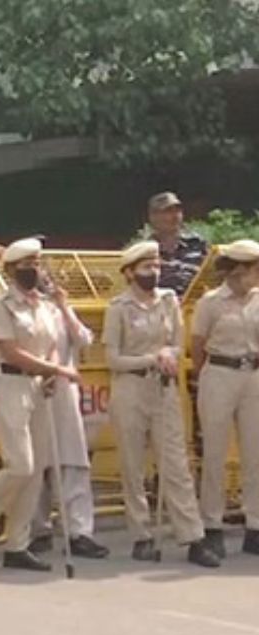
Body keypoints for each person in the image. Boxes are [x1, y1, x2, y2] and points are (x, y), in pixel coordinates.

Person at [0, 237, 79, 572]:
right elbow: (12, 350)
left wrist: (50, 369)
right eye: (28, 265)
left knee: (38, 467)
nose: (35, 270)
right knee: (20, 463)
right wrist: (56, 370)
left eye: (37, 263)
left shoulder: (45, 306)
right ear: (12, 269)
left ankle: (18, 543)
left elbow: (53, 344)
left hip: (39, 384)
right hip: (10, 382)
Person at [103, 241, 218, 567]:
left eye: (155, 266)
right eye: (145, 267)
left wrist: (168, 355)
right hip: (130, 389)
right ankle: (141, 534)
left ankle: (193, 536)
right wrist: (149, 358)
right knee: (133, 465)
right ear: (129, 272)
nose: (153, 272)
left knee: (176, 465)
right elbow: (113, 358)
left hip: (164, 389)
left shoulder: (168, 302)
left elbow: (177, 344)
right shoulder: (118, 308)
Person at [27, 270, 109, 560]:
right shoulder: (23, 311)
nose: (44, 282)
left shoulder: (62, 310)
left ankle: (79, 532)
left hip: (64, 393)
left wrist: (64, 306)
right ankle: (38, 530)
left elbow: (84, 339)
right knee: (36, 464)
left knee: (73, 461)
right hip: (34, 390)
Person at [190, 239, 259, 559]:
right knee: (215, 451)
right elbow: (198, 345)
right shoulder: (211, 302)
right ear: (240, 270)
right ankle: (212, 524)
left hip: (253, 373)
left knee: (254, 452)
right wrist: (203, 376)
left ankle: (255, 524)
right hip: (219, 371)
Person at [146, 192, 207, 298]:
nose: (175, 215)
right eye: (168, 211)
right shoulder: (145, 250)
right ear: (153, 217)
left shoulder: (197, 243)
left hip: (195, 304)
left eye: (178, 210)